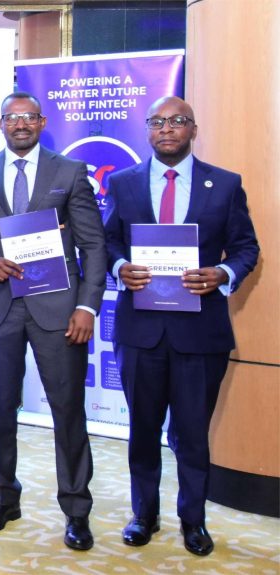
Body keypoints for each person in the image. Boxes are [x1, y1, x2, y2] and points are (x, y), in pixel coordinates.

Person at [0, 91, 105, 551]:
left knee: (67, 410)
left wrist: (88, 306)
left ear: (42, 122)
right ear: (0, 124)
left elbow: (94, 246)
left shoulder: (70, 172)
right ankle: (3, 498)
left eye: (28, 117)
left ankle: (76, 510)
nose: (20, 124)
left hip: (60, 309)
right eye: (12, 118)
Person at [104, 96, 259, 556]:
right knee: (143, 430)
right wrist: (118, 268)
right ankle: (143, 515)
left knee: (193, 433)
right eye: (158, 122)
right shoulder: (123, 182)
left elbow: (247, 248)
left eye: (177, 122)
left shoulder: (226, 185)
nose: (166, 129)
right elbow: (108, 241)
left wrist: (223, 274)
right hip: (141, 331)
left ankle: (193, 520)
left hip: (200, 333)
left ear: (193, 129)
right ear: (148, 131)